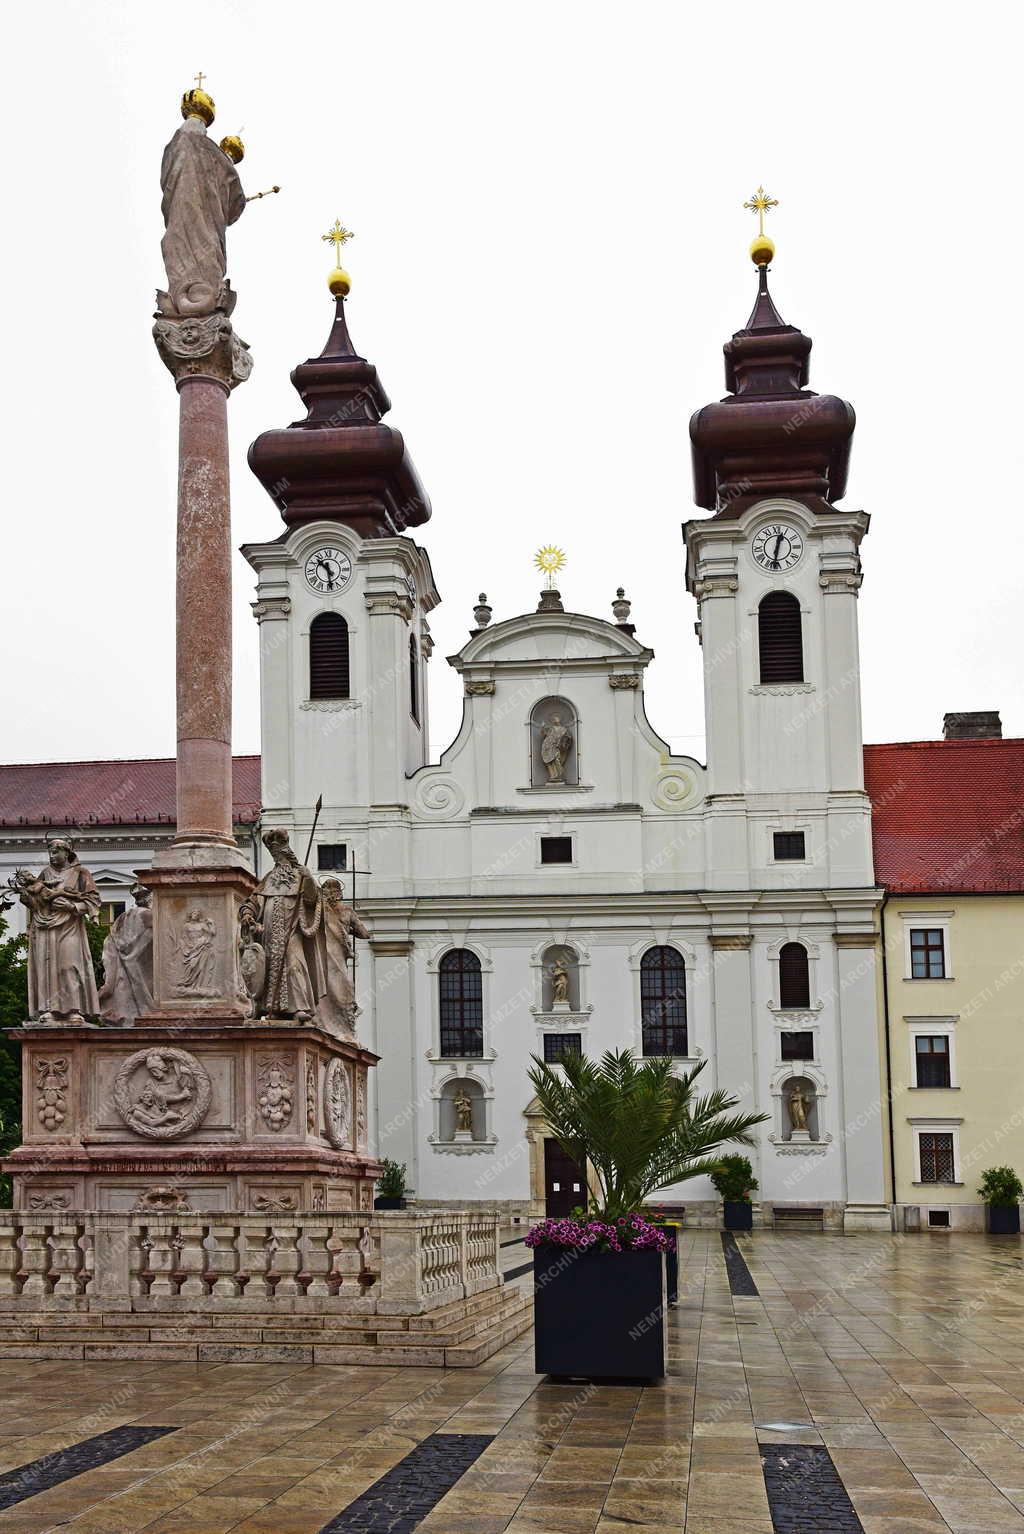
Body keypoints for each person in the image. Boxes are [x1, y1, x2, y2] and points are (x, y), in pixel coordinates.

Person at [239, 829, 328, 1021]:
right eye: (276, 858)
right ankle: (266, 1007)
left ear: (288, 856)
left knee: (294, 965)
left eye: (281, 858)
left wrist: (310, 880)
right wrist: (247, 914)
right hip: (268, 934)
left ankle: (299, 1008)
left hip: (293, 930)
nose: (279, 863)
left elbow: (312, 901)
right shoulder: (269, 878)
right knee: (268, 967)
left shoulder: (300, 876)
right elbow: (252, 902)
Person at [9, 838, 100, 1021]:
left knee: (69, 965)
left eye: (56, 851)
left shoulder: (80, 873)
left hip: (70, 926)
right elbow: (37, 903)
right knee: (47, 968)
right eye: (50, 852)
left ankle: (74, 1009)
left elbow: (93, 900)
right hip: (45, 928)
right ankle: (47, 1010)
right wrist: (26, 896)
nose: (52, 856)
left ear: (66, 852)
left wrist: (72, 907)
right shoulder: (45, 874)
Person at [319, 878, 370, 1035]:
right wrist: (348, 929)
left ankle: (326, 1022)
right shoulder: (346, 911)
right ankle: (342, 1025)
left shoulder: (318, 910)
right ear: (339, 893)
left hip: (321, 954)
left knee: (324, 988)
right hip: (336, 955)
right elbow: (364, 933)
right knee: (340, 987)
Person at [98, 883, 154, 1024]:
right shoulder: (150, 916)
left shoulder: (123, 917)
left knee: (123, 995)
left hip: (122, 970)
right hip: (139, 971)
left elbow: (111, 942)